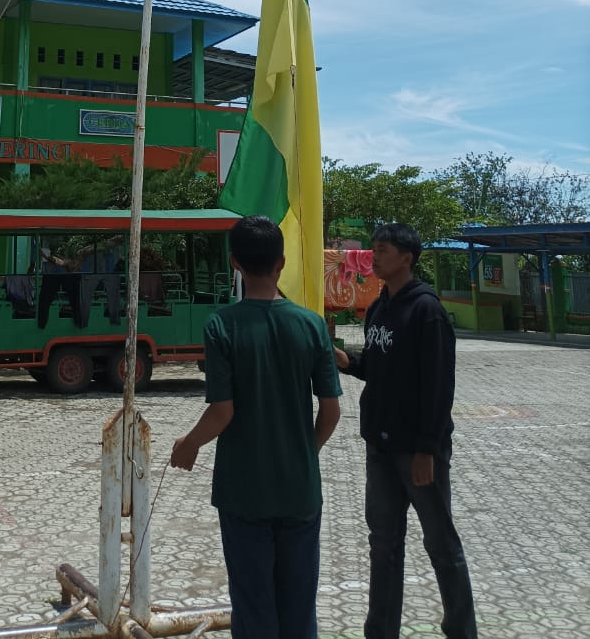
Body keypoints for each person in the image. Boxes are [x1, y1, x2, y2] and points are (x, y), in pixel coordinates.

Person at [171, 216, 342, 639]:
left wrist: (189, 443)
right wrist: (305, 451)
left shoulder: (221, 325)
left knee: (253, 604)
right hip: (300, 489)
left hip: (244, 491)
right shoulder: (312, 325)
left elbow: (222, 412)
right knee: (298, 604)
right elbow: (331, 410)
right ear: (281, 262)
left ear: (235, 263)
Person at [334, 222, 477, 639]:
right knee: (383, 542)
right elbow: (377, 366)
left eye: (382, 250)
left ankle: (461, 627)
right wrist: (348, 361)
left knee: (440, 542)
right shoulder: (379, 307)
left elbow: (439, 385)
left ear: (406, 259)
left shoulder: (426, 311)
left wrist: (427, 449)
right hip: (379, 447)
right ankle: (380, 630)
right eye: (374, 249)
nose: (374, 257)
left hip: (416, 450)